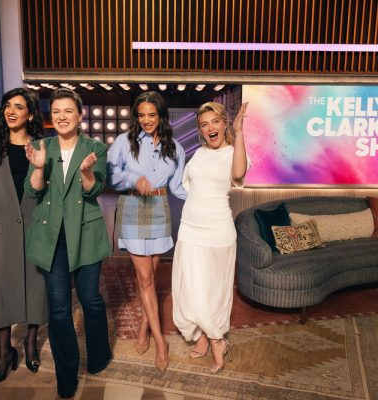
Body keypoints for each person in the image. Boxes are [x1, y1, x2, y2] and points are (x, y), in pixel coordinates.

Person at [24, 88, 112, 398]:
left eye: (68, 111)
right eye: (56, 112)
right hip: (52, 238)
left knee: (90, 300)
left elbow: (93, 190)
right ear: (52, 116)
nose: (62, 117)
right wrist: (38, 167)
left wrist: (86, 172)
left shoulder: (95, 148)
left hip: (85, 233)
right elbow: (33, 191)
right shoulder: (41, 147)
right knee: (59, 309)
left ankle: (99, 355)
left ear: (80, 115)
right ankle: (66, 376)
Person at [106, 91, 186, 371]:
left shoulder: (175, 148)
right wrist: (133, 178)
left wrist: (205, 198)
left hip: (160, 209)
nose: (146, 120)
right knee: (145, 278)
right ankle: (161, 342)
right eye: (141, 115)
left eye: (152, 115)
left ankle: (144, 326)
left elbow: (177, 187)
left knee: (149, 277)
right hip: (132, 207)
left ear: (161, 116)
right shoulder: (123, 142)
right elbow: (110, 175)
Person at [172, 101, 249, 374]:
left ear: (224, 123)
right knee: (191, 288)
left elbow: (238, 174)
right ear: (200, 130)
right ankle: (207, 335)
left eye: (215, 121)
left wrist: (239, 133)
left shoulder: (234, 152)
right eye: (204, 124)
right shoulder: (198, 155)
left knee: (213, 290)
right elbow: (189, 188)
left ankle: (215, 339)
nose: (210, 128)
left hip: (218, 230)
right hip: (190, 228)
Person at [0, 87, 48, 387]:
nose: (11, 111)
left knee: (35, 286)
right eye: (8, 105)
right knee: (0, 289)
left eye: (19, 106)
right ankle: (5, 352)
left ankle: (31, 343)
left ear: (30, 114)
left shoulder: (43, 147)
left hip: (36, 227)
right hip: (0, 230)